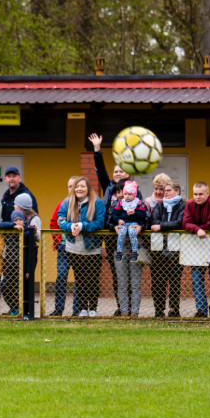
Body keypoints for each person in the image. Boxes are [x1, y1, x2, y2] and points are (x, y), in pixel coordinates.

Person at [88, 133, 141, 313]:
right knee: (117, 274)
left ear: (128, 174)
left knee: (131, 274)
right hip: (112, 235)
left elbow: (140, 213)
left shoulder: (135, 191)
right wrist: (97, 149)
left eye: (122, 171)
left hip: (129, 238)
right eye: (116, 171)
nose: (118, 173)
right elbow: (100, 169)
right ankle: (122, 308)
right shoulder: (109, 187)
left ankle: (133, 309)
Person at [57, 176, 106, 317]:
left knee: (92, 279)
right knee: (80, 279)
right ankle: (83, 308)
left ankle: (93, 309)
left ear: (88, 188)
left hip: (92, 247)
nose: (79, 189)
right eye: (77, 186)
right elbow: (61, 221)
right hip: (73, 247)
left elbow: (99, 223)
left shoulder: (97, 203)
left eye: (82, 186)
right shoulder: (67, 202)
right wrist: (71, 225)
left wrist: (83, 226)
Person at [182, 182, 210, 319]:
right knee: (196, 279)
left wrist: (197, 228)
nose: (197, 197)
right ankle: (201, 310)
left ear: (207, 193)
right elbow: (185, 222)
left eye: (200, 194)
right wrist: (197, 229)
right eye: (195, 194)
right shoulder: (189, 204)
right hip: (196, 250)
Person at [149, 180, 185, 318]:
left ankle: (174, 309)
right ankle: (159, 309)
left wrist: (162, 227)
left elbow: (180, 223)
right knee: (158, 281)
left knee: (175, 281)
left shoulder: (183, 205)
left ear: (177, 192)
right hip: (158, 249)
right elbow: (154, 221)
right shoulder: (159, 205)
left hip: (176, 249)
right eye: (165, 191)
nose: (166, 193)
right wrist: (166, 225)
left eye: (169, 190)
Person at [111, 181, 147, 317]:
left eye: (128, 193)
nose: (125, 196)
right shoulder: (117, 205)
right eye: (123, 193)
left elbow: (146, 219)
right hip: (120, 244)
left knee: (136, 282)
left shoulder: (140, 204)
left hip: (135, 244)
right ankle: (124, 311)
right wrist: (115, 224)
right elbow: (110, 219)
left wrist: (140, 225)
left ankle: (135, 312)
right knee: (122, 282)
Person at [49, 177, 81, 317]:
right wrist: (58, 241)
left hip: (80, 248)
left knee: (79, 278)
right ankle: (58, 309)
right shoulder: (61, 205)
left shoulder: (84, 206)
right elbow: (53, 224)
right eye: (69, 186)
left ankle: (77, 309)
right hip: (63, 247)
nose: (72, 189)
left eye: (74, 186)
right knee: (61, 276)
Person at [13, 192, 42, 319]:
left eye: (16, 204)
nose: (13, 206)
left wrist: (34, 231)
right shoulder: (15, 218)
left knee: (27, 280)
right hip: (17, 253)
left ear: (21, 206)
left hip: (29, 253)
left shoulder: (34, 219)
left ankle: (28, 311)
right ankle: (17, 309)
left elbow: (38, 237)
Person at [113, 180, 147, 262]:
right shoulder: (120, 203)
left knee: (133, 234)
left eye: (129, 194)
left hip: (133, 223)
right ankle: (119, 252)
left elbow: (143, 215)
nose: (127, 196)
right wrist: (118, 220)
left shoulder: (138, 203)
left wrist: (135, 213)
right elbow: (115, 214)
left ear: (134, 194)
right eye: (125, 194)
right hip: (123, 223)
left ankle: (135, 252)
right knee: (121, 234)